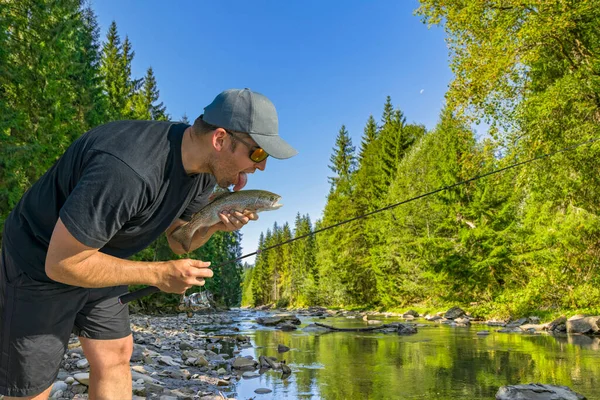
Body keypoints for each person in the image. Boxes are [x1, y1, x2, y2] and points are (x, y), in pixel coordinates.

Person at [0, 88, 298, 399]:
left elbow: (179, 241)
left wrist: (213, 227)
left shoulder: (203, 173)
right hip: (40, 260)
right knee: (31, 387)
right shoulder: (128, 170)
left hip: (103, 257)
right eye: (258, 153)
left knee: (115, 355)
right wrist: (158, 275)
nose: (260, 167)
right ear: (220, 139)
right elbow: (62, 262)